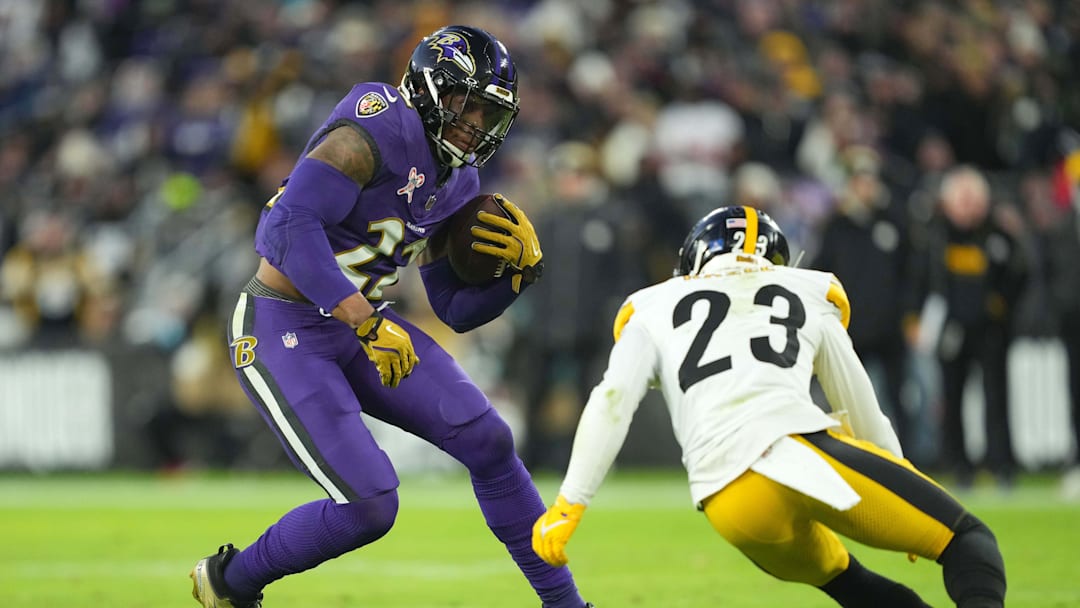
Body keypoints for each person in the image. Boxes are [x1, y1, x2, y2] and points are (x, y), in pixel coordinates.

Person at [189, 25, 592, 608]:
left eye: (488, 113)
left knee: (489, 440)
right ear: (431, 88)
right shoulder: (375, 125)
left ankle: (568, 606)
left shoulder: (460, 179)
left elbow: (453, 309)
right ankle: (230, 583)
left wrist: (516, 278)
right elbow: (282, 230)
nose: (476, 124)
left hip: (358, 323)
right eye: (467, 104)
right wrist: (364, 320)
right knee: (370, 505)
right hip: (282, 323)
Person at [532, 206, 1007, 607]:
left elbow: (611, 401)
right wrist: (903, 476)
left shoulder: (653, 306)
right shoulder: (807, 290)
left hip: (728, 502)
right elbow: (862, 409)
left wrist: (570, 502)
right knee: (969, 541)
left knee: (853, 584)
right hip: (796, 447)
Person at [905, 166, 1027, 489]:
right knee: (951, 399)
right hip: (951, 330)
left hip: (989, 331)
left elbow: (1020, 272)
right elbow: (918, 279)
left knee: (996, 398)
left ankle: (1001, 465)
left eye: (974, 198)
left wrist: (1001, 306)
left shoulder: (998, 235)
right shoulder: (935, 235)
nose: (969, 205)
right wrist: (914, 318)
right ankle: (959, 466)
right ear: (948, 202)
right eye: (962, 199)